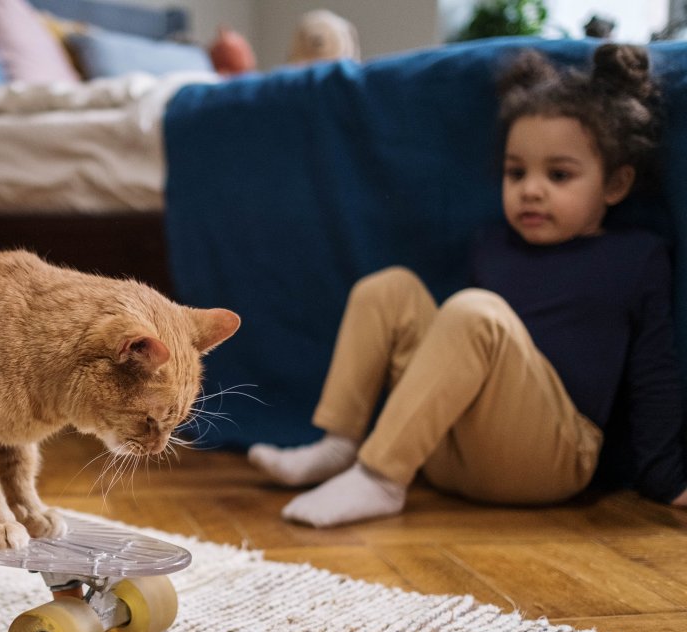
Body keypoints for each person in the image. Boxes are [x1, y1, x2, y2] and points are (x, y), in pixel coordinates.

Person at [248, 43, 687, 527]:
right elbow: (457, 366)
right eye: (516, 172)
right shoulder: (492, 245)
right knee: (388, 289)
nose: (531, 189)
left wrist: (666, 478)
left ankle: (379, 477)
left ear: (615, 185)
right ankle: (340, 444)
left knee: (474, 311)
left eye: (559, 174)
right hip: (448, 453)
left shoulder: (633, 257)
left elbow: (654, 374)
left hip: (550, 460)